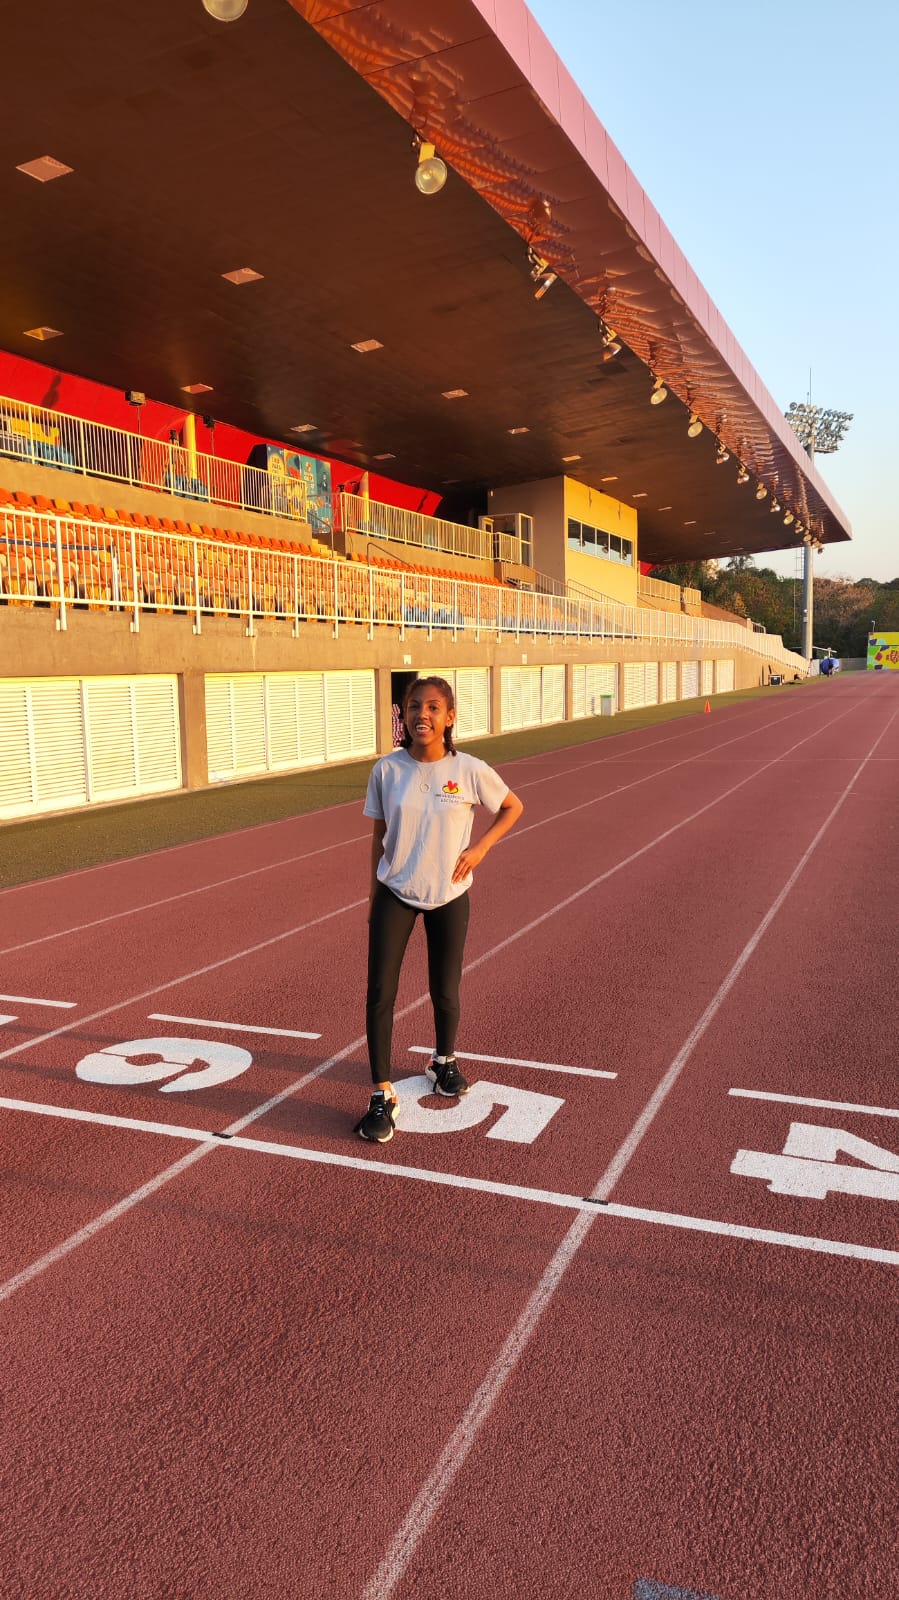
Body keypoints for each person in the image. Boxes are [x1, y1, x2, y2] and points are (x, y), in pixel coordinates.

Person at [355, 676, 524, 1143]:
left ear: (449, 717)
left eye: (432, 707)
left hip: (449, 894)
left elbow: (512, 807)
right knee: (379, 993)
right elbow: (377, 837)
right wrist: (372, 897)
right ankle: (382, 1093)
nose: (421, 715)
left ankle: (443, 1059)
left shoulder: (469, 769)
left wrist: (481, 849)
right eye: (413, 707)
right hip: (395, 893)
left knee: (444, 990)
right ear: (403, 716)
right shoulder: (386, 771)